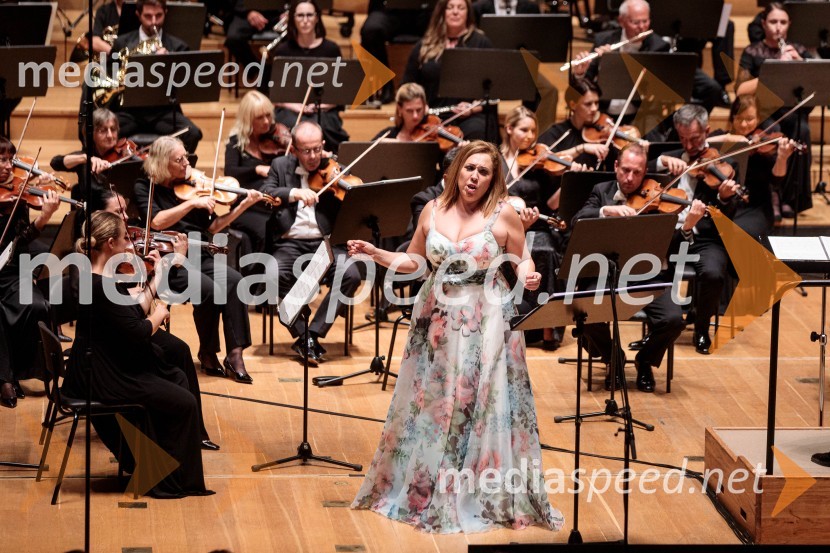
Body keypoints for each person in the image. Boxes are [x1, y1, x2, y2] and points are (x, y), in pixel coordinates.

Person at [348, 141, 564, 533]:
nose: (474, 177)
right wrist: (377, 253)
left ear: (492, 179)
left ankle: (475, 491)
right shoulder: (432, 210)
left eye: (483, 172)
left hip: (487, 318)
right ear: (455, 171)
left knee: (479, 403)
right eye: (469, 169)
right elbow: (415, 261)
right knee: (434, 403)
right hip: (437, 317)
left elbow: (522, 257)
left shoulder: (505, 215)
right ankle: (426, 485)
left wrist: (528, 274)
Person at [62, 210, 215, 498]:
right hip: (106, 374)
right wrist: (159, 312)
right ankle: (167, 478)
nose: (129, 245)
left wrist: (158, 277)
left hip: (104, 362)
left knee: (177, 377)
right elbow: (139, 331)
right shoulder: (102, 286)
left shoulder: (93, 277)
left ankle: (167, 467)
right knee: (184, 401)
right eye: (124, 239)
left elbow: (130, 313)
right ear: (110, 244)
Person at [135, 136, 262, 383]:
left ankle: (235, 355)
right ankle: (208, 351)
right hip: (169, 259)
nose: (187, 163)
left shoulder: (192, 186)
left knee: (235, 281)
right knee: (208, 289)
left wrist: (243, 206)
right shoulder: (145, 187)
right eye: (179, 159)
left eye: (186, 157)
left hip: (200, 253)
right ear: (162, 163)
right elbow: (156, 221)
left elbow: (214, 227)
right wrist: (192, 203)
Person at [571, 143, 690, 392]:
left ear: (645, 171)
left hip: (646, 274)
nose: (630, 178)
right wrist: (606, 210)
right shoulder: (601, 191)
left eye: (637, 173)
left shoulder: (657, 198)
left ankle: (644, 360)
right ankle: (613, 357)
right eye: (625, 170)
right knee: (586, 315)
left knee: (674, 320)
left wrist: (688, 228)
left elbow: (671, 244)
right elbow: (577, 220)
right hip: (606, 273)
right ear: (615, 166)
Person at [260, 121, 364, 365]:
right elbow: (267, 190)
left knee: (351, 274)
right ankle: (303, 335)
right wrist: (294, 193)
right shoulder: (280, 165)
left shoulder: (335, 168)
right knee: (271, 275)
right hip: (289, 244)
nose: (313, 156)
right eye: (306, 150)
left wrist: (344, 188)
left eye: (317, 149)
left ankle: (314, 333)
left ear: (323, 146)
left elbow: (357, 198)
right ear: (294, 149)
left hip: (326, 244)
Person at [649, 104, 742, 355]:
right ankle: (659, 328)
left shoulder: (726, 165)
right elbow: (639, 171)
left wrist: (723, 199)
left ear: (707, 131)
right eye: (683, 139)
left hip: (704, 237)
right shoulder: (672, 157)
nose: (689, 146)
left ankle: (701, 328)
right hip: (669, 233)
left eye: (695, 139)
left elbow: (729, 216)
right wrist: (661, 160)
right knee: (647, 262)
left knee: (713, 273)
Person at [571, 0, 727, 113]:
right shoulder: (603, 40)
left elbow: (650, 92)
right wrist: (580, 73)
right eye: (635, 22)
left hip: (639, 115)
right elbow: (584, 85)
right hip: (603, 112)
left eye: (645, 21)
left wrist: (616, 62)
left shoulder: (658, 46)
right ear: (621, 21)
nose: (641, 27)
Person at [501, 106, 573, 350]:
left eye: (533, 130)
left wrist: (568, 178)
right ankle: (511, 314)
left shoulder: (541, 162)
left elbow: (552, 203)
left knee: (547, 250)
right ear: (509, 128)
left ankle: (547, 326)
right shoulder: (495, 160)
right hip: (502, 226)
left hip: (536, 224)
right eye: (524, 129)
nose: (530, 136)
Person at [736, 2, 813, 218]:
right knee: (773, 130)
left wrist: (802, 65)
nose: (778, 27)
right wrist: (775, 68)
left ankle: (792, 197)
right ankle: (773, 194)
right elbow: (740, 89)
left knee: (803, 130)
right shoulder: (752, 51)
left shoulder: (797, 50)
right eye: (773, 22)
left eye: (783, 22)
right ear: (763, 23)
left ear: (789, 25)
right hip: (761, 113)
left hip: (790, 110)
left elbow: (814, 88)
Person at [0, 137, 60, 408]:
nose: (8, 166)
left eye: (11, 160)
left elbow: (20, 241)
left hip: (11, 271)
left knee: (37, 305)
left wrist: (43, 217)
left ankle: (26, 371)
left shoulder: (17, 195)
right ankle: (5, 379)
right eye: (1, 160)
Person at [107, 0, 203, 154]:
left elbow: (184, 86)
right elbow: (110, 77)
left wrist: (168, 62)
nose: (154, 22)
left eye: (158, 16)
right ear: (138, 15)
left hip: (162, 112)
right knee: (100, 132)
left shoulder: (177, 47)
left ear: (166, 12)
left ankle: (175, 174)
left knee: (193, 133)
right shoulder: (122, 43)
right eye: (148, 16)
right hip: (129, 112)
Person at [401, 0, 495, 142]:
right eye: (450, 8)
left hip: (470, 116)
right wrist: (421, 108)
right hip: (432, 115)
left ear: (468, 13)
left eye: (461, 8)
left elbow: (494, 90)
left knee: (476, 130)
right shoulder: (424, 45)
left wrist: (473, 108)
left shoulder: (481, 43)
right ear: (442, 12)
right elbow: (407, 85)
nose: (455, 12)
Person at [708, 94, 797, 239]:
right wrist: (727, 139)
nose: (744, 125)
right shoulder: (721, 137)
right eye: (739, 118)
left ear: (759, 119)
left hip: (755, 206)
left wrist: (782, 157)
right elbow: (699, 146)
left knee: (742, 233)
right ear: (732, 118)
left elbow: (776, 180)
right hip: (723, 204)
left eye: (749, 119)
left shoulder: (764, 145)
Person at [272, 0, 349, 154]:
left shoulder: (331, 49)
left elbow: (341, 94)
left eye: (309, 15)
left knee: (323, 127)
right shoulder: (283, 51)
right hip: (291, 109)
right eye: (300, 15)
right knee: (293, 127)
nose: (305, 20)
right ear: (293, 18)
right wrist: (295, 106)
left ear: (316, 18)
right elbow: (274, 94)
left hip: (324, 110)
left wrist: (321, 105)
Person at [225, 90, 286, 256]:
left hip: (273, 203)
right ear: (248, 118)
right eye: (260, 117)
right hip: (246, 207)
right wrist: (256, 169)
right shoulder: (235, 144)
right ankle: (258, 278)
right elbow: (230, 173)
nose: (267, 121)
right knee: (264, 229)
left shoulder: (276, 141)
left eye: (268, 115)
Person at [50, 108, 139, 208]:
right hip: (92, 215)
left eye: (113, 129)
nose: (110, 135)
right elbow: (55, 163)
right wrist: (85, 158)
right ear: (91, 133)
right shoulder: (84, 157)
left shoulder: (125, 155)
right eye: (103, 130)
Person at [537, 79, 610, 171]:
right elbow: (547, 158)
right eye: (588, 104)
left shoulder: (601, 133)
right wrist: (582, 148)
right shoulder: (556, 132)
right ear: (573, 105)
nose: (594, 108)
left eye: (596, 103)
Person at [223, 0, 284, 77]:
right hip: (245, 14)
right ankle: (257, 69)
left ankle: (288, 72)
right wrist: (248, 11)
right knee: (233, 38)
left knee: (294, 33)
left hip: (276, 13)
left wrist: (291, 11)